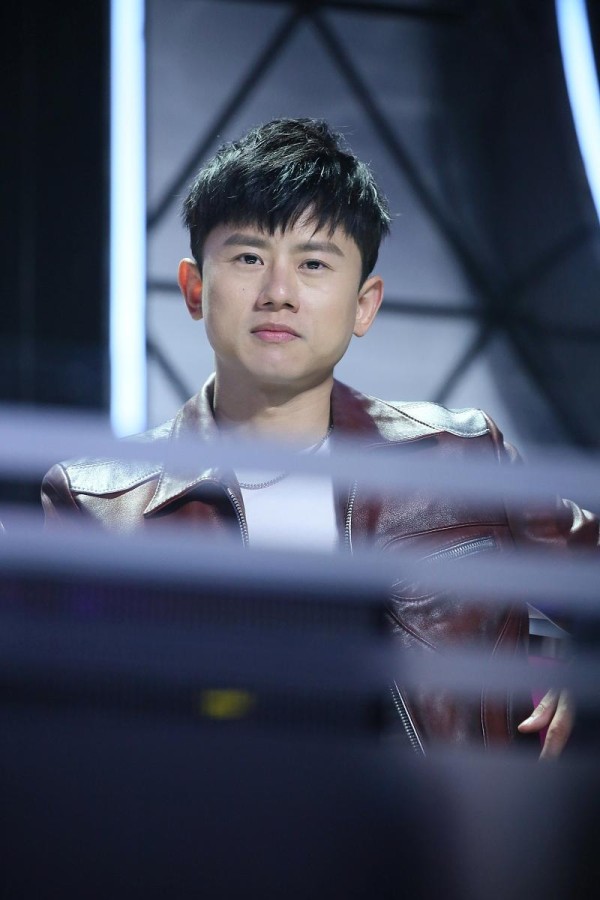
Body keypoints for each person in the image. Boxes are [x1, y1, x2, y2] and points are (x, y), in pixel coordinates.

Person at [42, 118, 599, 756]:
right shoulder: (98, 502)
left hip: (436, 821)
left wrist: (569, 662)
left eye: (312, 264)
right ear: (195, 289)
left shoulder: (461, 457)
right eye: (249, 258)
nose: (278, 293)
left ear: (364, 304)